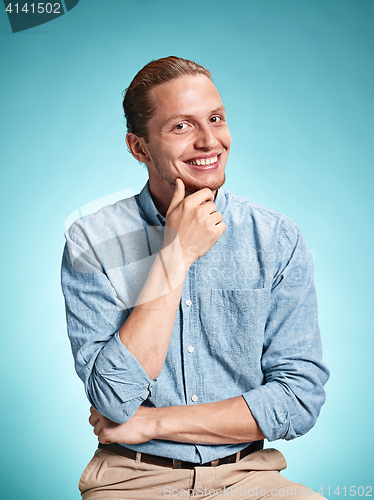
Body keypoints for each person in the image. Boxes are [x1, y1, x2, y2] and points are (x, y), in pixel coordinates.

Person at [61, 56, 329, 499]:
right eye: (181, 127)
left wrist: (154, 423)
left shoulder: (278, 238)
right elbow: (114, 399)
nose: (209, 141)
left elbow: (298, 400)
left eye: (216, 119)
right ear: (140, 148)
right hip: (132, 480)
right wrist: (177, 253)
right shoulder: (92, 240)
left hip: (251, 478)